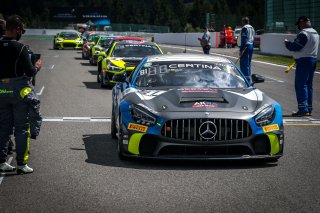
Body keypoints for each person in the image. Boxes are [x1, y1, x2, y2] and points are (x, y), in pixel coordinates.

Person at [0, 15, 42, 174]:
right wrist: (37, 66)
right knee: (22, 129)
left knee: (3, 127)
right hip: (18, 92)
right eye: (21, 30)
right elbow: (30, 72)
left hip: (0, 91)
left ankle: (1, 161)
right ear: (17, 29)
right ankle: (22, 164)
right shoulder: (21, 48)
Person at [284, 16, 319, 117]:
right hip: (313, 59)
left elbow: (295, 46)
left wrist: (287, 43)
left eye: (299, 24)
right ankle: (308, 108)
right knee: (308, 85)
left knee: (301, 84)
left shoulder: (304, 33)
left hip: (304, 61)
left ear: (302, 23)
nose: (299, 26)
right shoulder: (315, 33)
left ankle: (303, 108)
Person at [239, 17, 255, 83]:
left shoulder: (244, 28)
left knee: (244, 64)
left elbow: (244, 39)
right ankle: (248, 78)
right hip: (251, 45)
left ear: (243, 22)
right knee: (248, 63)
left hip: (246, 46)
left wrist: (241, 50)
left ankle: (246, 80)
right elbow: (253, 37)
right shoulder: (252, 28)